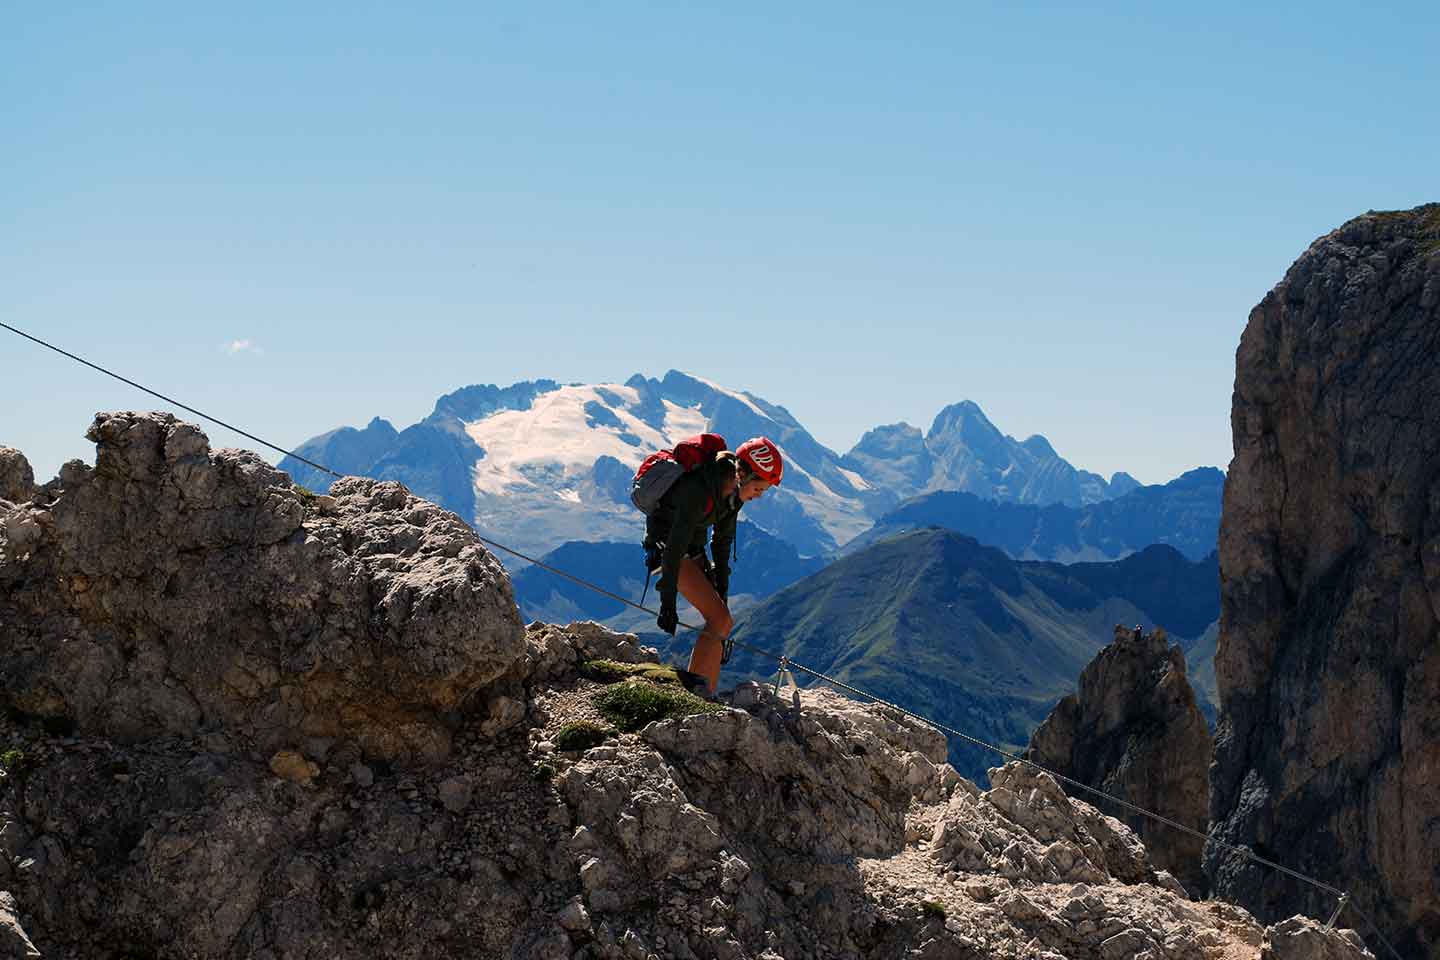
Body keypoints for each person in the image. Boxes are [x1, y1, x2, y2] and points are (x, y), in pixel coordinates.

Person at [645, 437, 784, 693]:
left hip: (690, 549)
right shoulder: (699, 489)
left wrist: (722, 594)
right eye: (758, 489)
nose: (758, 496)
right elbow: (675, 544)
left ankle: (705, 692)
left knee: (722, 620)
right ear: (742, 475)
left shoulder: (732, 497)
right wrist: (668, 604)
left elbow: (722, 545)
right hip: (667, 548)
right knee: (719, 620)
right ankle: (698, 694)